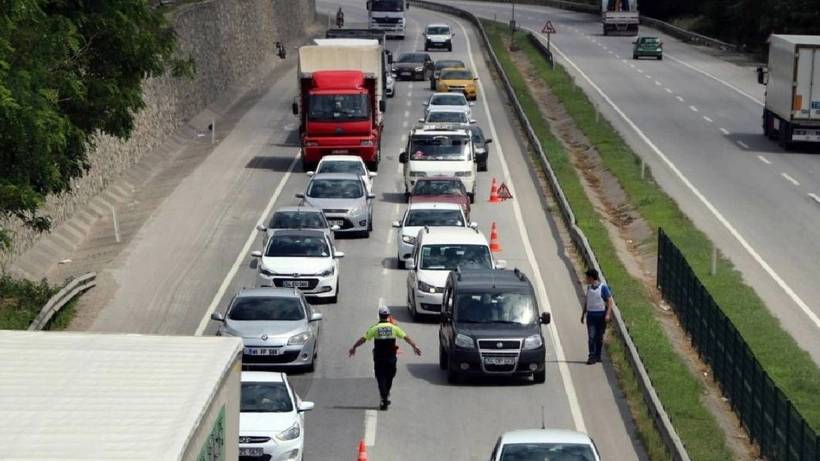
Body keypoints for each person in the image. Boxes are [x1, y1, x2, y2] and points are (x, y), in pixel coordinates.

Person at [348, 306, 421, 410]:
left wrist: (354, 347)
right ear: (388, 316)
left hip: (379, 358)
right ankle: (385, 396)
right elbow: (406, 337)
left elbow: (363, 339)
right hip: (391, 358)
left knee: (381, 377)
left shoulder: (375, 328)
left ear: (379, 315)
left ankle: (384, 396)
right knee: (389, 377)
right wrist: (415, 346)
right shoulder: (394, 328)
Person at [580, 268, 613, 365]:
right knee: (591, 337)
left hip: (601, 316)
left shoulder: (603, 288)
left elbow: (610, 301)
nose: (586, 279)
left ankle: (598, 355)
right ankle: (591, 356)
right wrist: (583, 314)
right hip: (591, 316)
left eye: (587, 277)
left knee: (599, 337)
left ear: (591, 278)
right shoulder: (589, 288)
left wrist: (608, 314)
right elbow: (587, 302)